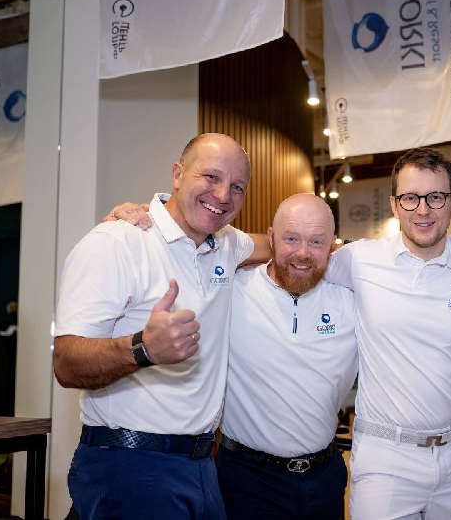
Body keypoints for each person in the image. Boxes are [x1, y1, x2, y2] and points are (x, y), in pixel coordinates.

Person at [53, 133, 268, 520]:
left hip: (201, 467)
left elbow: (285, 245)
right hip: (129, 465)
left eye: (237, 187)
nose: (223, 195)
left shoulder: (226, 244)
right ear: (177, 174)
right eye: (211, 177)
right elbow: (66, 363)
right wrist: (143, 348)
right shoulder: (118, 242)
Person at [325, 147, 451, 520]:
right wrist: (231, 248)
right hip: (384, 457)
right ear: (394, 205)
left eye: (435, 197)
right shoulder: (359, 260)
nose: (422, 210)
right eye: (410, 198)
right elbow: (297, 260)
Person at [217, 193, 357, 519]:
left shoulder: (352, 300)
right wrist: (147, 218)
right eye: (291, 239)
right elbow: (187, 247)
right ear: (270, 238)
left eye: (316, 242)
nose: (303, 253)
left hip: (324, 478)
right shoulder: (231, 289)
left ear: (332, 245)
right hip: (246, 480)